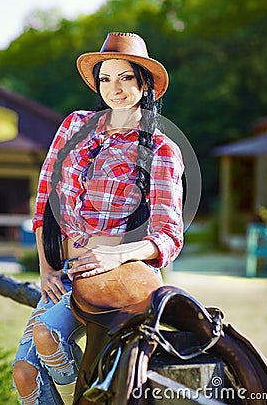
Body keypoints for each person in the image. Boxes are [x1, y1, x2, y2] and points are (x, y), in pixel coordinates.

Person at [13, 32, 184, 404]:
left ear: (145, 83)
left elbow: (169, 234)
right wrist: (46, 267)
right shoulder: (75, 125)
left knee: (51, 341)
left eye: (125, 77)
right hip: (65, 273)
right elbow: (46, 198)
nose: (114, 88)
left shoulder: (162, 148)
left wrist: (117, 255)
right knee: (24, 374)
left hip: (119, 279)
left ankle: (88, 390)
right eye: (106, 78)